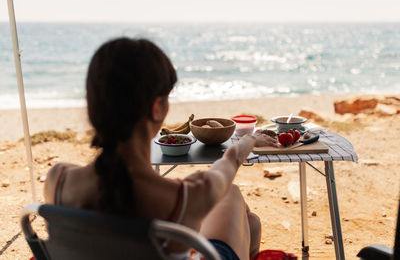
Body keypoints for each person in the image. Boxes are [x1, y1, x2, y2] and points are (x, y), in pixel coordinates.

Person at [44, 38, 273, 260]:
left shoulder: (59, 181)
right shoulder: (183, 199)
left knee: (250, 222)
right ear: (156, 107)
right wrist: (249, 140)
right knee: (233, 197)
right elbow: (230, 161)